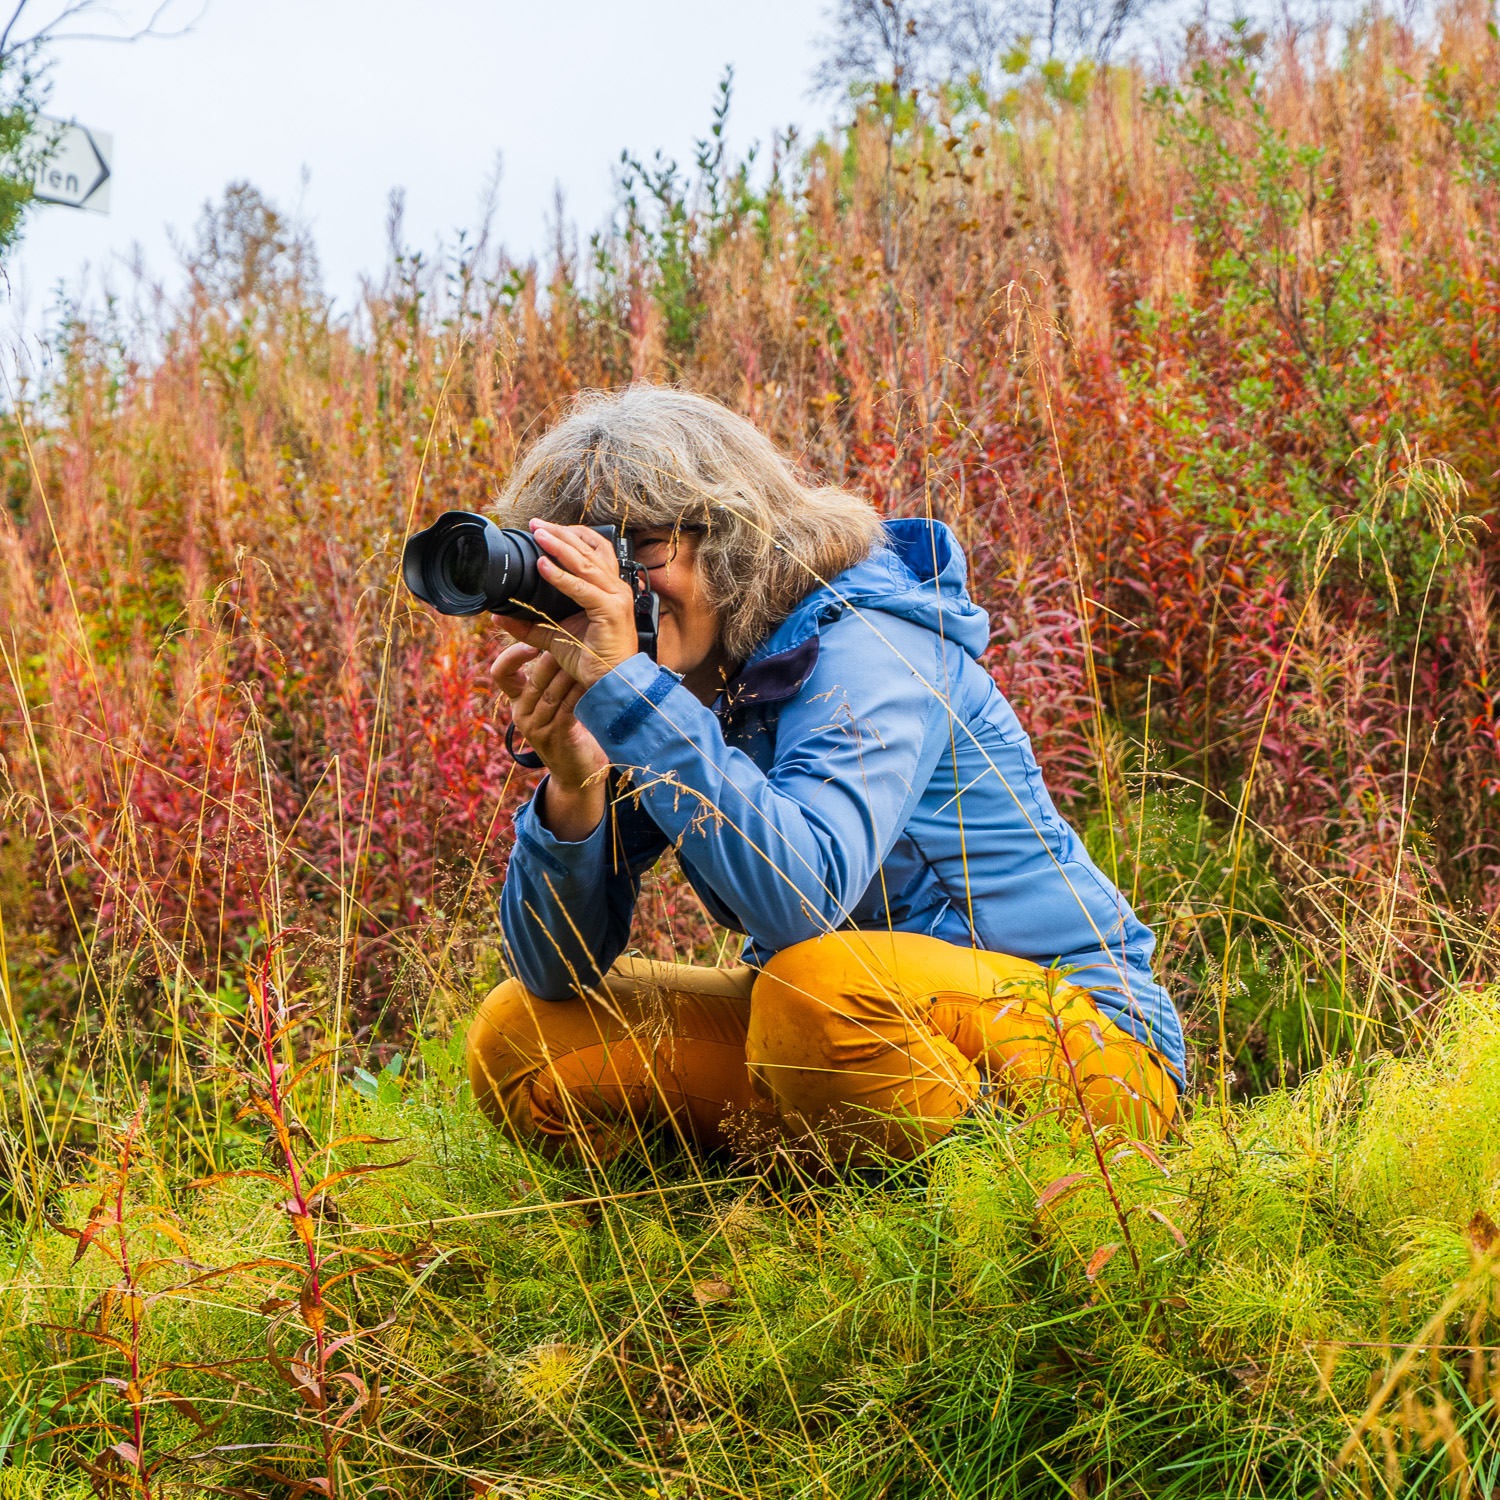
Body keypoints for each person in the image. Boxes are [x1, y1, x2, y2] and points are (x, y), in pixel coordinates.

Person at [466, 385, 1185, 1167]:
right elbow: (554, 970)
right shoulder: (679, 680)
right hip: (842, 1034)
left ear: (730, 537)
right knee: (522, 1037)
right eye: (573, 561)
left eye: (636, 548)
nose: (611, 586)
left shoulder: (873, 643)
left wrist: (640, 705)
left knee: (814, 986)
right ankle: (774, 1197)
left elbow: (801, 901)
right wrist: (576, 785)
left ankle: (1002, 1198)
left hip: (1075, 1046)